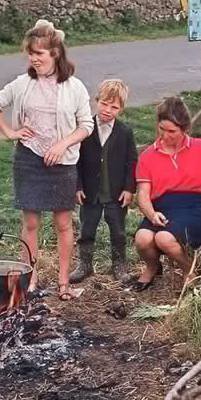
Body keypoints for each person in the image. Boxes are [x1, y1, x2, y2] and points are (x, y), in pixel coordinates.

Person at [0, 20, 93, 300]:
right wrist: (10, 131)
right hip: (29, 160)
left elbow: (86, 126)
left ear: (55, 53)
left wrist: (63, 143)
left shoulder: (75, 87)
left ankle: (64, 283)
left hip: (63, 163)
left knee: (64, 224)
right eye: (30, 54)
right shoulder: (23, 84)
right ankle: (29, 280)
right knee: (30, 224)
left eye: (39, 54)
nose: (33, 59)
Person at [131, 97, 201, 291]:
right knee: (143, 238)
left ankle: (190, 271)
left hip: (193, 207)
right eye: (161, 129)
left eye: (172, 131)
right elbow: (143, 196)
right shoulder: (148, 156)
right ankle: (153, 267)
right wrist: (152, 214)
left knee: (164, 238)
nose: (165, 135)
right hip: (161, 207)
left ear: (185, 130)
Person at [70, 79, 138, 283]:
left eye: (114, 107)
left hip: (115, 193)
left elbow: (132, 162)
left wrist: (129, 188)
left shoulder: (124, 133)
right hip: (91, 192)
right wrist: (78, 185)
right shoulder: (85, 129)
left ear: (121, 109)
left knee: (118, 230)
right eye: (104, 104)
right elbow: (76, 160)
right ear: (96, 101)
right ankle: (85, 265)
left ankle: (119, 265)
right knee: (87, 228)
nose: (108, 110)